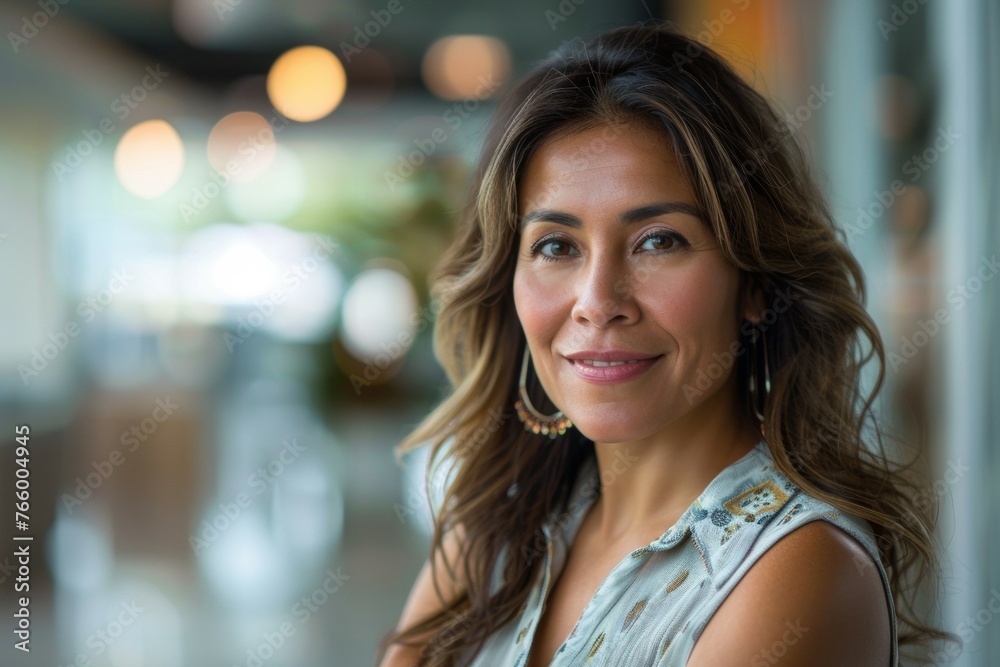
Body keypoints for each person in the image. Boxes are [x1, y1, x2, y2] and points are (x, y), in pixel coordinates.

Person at [376, 22, 955, 667]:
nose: (597, 301)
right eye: (556, 246)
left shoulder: (794, 570)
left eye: (659, 240)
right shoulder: (495, 525)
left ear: (756, 282)